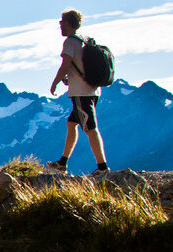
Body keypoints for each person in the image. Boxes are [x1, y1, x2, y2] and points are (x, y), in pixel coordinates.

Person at [46, 9, 109, 176]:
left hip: (82, 93)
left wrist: (55, 82)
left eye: (61, 22)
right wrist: (70, 79)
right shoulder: (85, 40)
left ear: (67, 23)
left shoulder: (70, 42)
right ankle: (62, 162)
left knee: (90, 128)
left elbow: (65, 65)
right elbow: (79, 66)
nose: (59, 25)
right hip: (92, 90)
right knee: (72, 123)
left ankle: (102, 167)